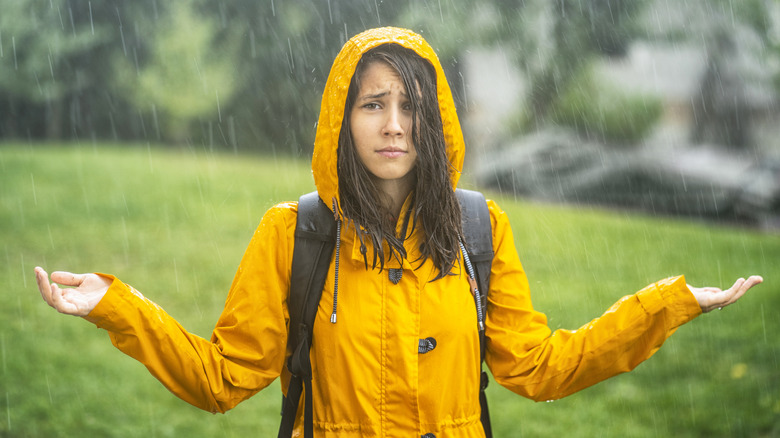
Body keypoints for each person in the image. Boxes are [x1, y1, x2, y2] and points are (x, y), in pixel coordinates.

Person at [34, 27, 762, 438]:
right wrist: (114, 305)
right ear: (340, 120)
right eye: (372, 104)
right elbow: (224, 379)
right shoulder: (295, 235)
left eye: (410, 106)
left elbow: (539, 367)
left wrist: (669, 304)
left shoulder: (479, 228)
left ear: (435, 120)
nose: (392, 125)